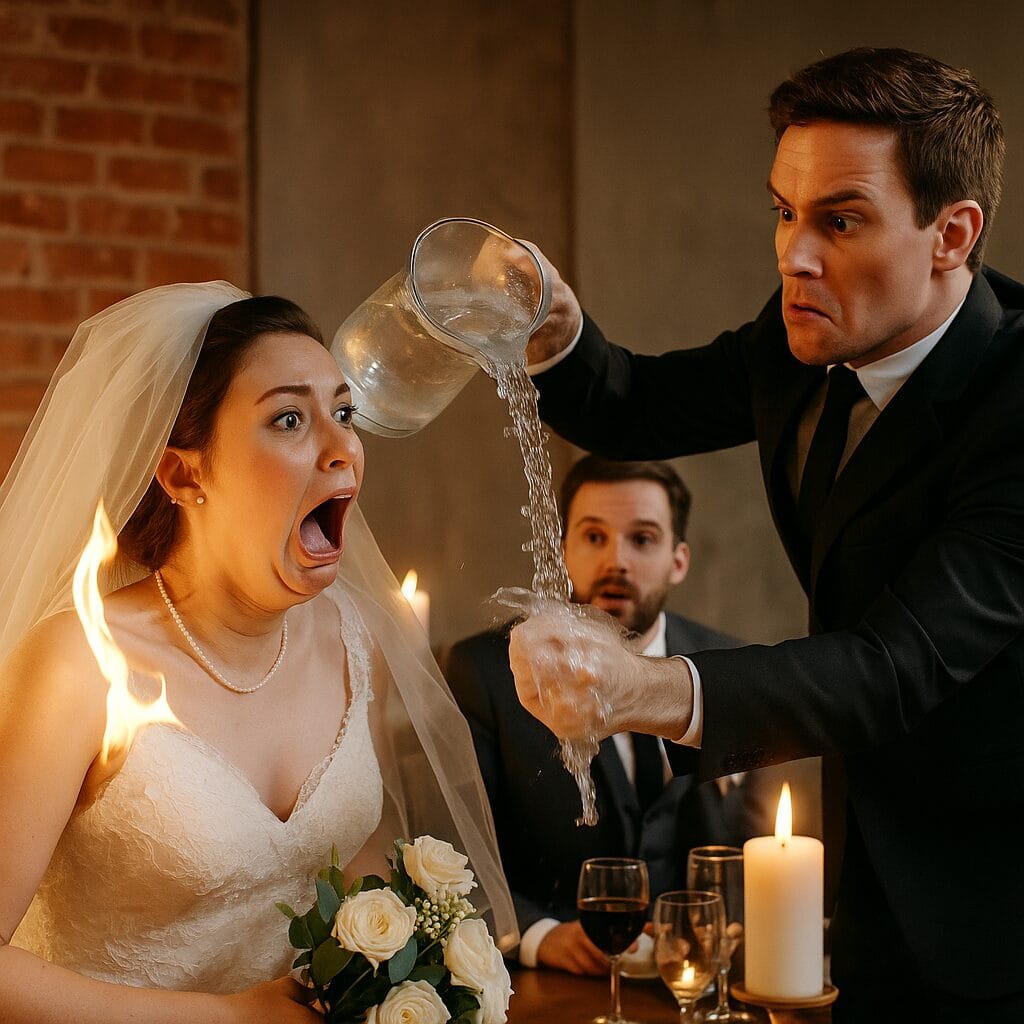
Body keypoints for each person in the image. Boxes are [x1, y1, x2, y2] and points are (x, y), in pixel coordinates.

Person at [507, 47, 1024, 1021]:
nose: (793, 253)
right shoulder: (806, 335)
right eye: (783, 211)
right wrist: (553, 333)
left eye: (839, 219)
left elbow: (889, 666)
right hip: (867, 871)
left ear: (951, 233)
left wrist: (640, 688)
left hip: (999, 889)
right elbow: (638, 403)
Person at [0, 283, 515, 1023]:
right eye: (289, 419)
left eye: (342, 413)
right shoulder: (76, 666)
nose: (343, 450)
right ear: (185, 473)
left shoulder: (353, 640)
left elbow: (358, 864)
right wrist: (236, 1018)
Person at [447, 455, 775, 975]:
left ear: (679, 560)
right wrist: (538, 935)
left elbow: (755, 853)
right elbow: (453, 850)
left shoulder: (731, 671)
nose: (616, 560)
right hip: (550, 990)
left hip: (697, 984)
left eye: (642, 539)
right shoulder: (484, 671)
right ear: (563, 551)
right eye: (594, 537)